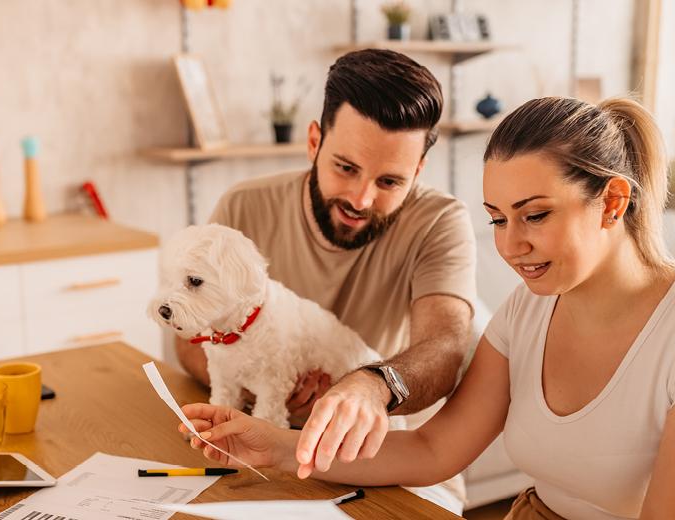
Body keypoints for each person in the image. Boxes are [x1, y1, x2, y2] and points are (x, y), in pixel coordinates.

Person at [178, 96, 675, 519]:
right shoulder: (527, 311)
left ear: (613, 202)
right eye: (498, 219)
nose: (511, 245)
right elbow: (433, 449)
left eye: (535, 215)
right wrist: (278, 447)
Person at [175, 49, 478, 476]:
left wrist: (372, 386)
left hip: (380, 460)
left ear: (419, 169)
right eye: (346, 167)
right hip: (253, 443)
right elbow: (190, 332)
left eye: (390, 181)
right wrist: (257, 386)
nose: (362, 199)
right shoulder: (244, 207)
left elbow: (445, 346)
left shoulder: (439, 221)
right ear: (314, 142)